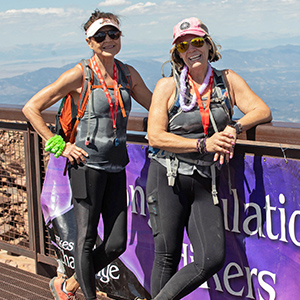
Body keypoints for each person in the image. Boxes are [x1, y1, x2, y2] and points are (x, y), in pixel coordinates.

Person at [23, 9, 152, 300]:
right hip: (85, 166)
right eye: (100, 36)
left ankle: (67, 285)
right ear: (90, 41)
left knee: (117, 243)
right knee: (85, 240)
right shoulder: (80, 74)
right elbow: (31, 107)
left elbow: (155, 107)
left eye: (113, 33)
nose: (108, 40)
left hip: (117, 167)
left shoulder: (127, 74)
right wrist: (60, 145)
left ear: (120, 36)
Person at [145, 17, 272, 300]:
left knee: (212, 257)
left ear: (209, 44)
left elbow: (262, 110)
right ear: (177, 53)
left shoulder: (227, 81)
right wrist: (205, 144)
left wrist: (234, 128)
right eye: (183, 45)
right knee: (167, 256)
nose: (192, 49)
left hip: (205, 179)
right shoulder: (167, 87)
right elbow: (155, 137)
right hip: (168, 176)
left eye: (197, 41)